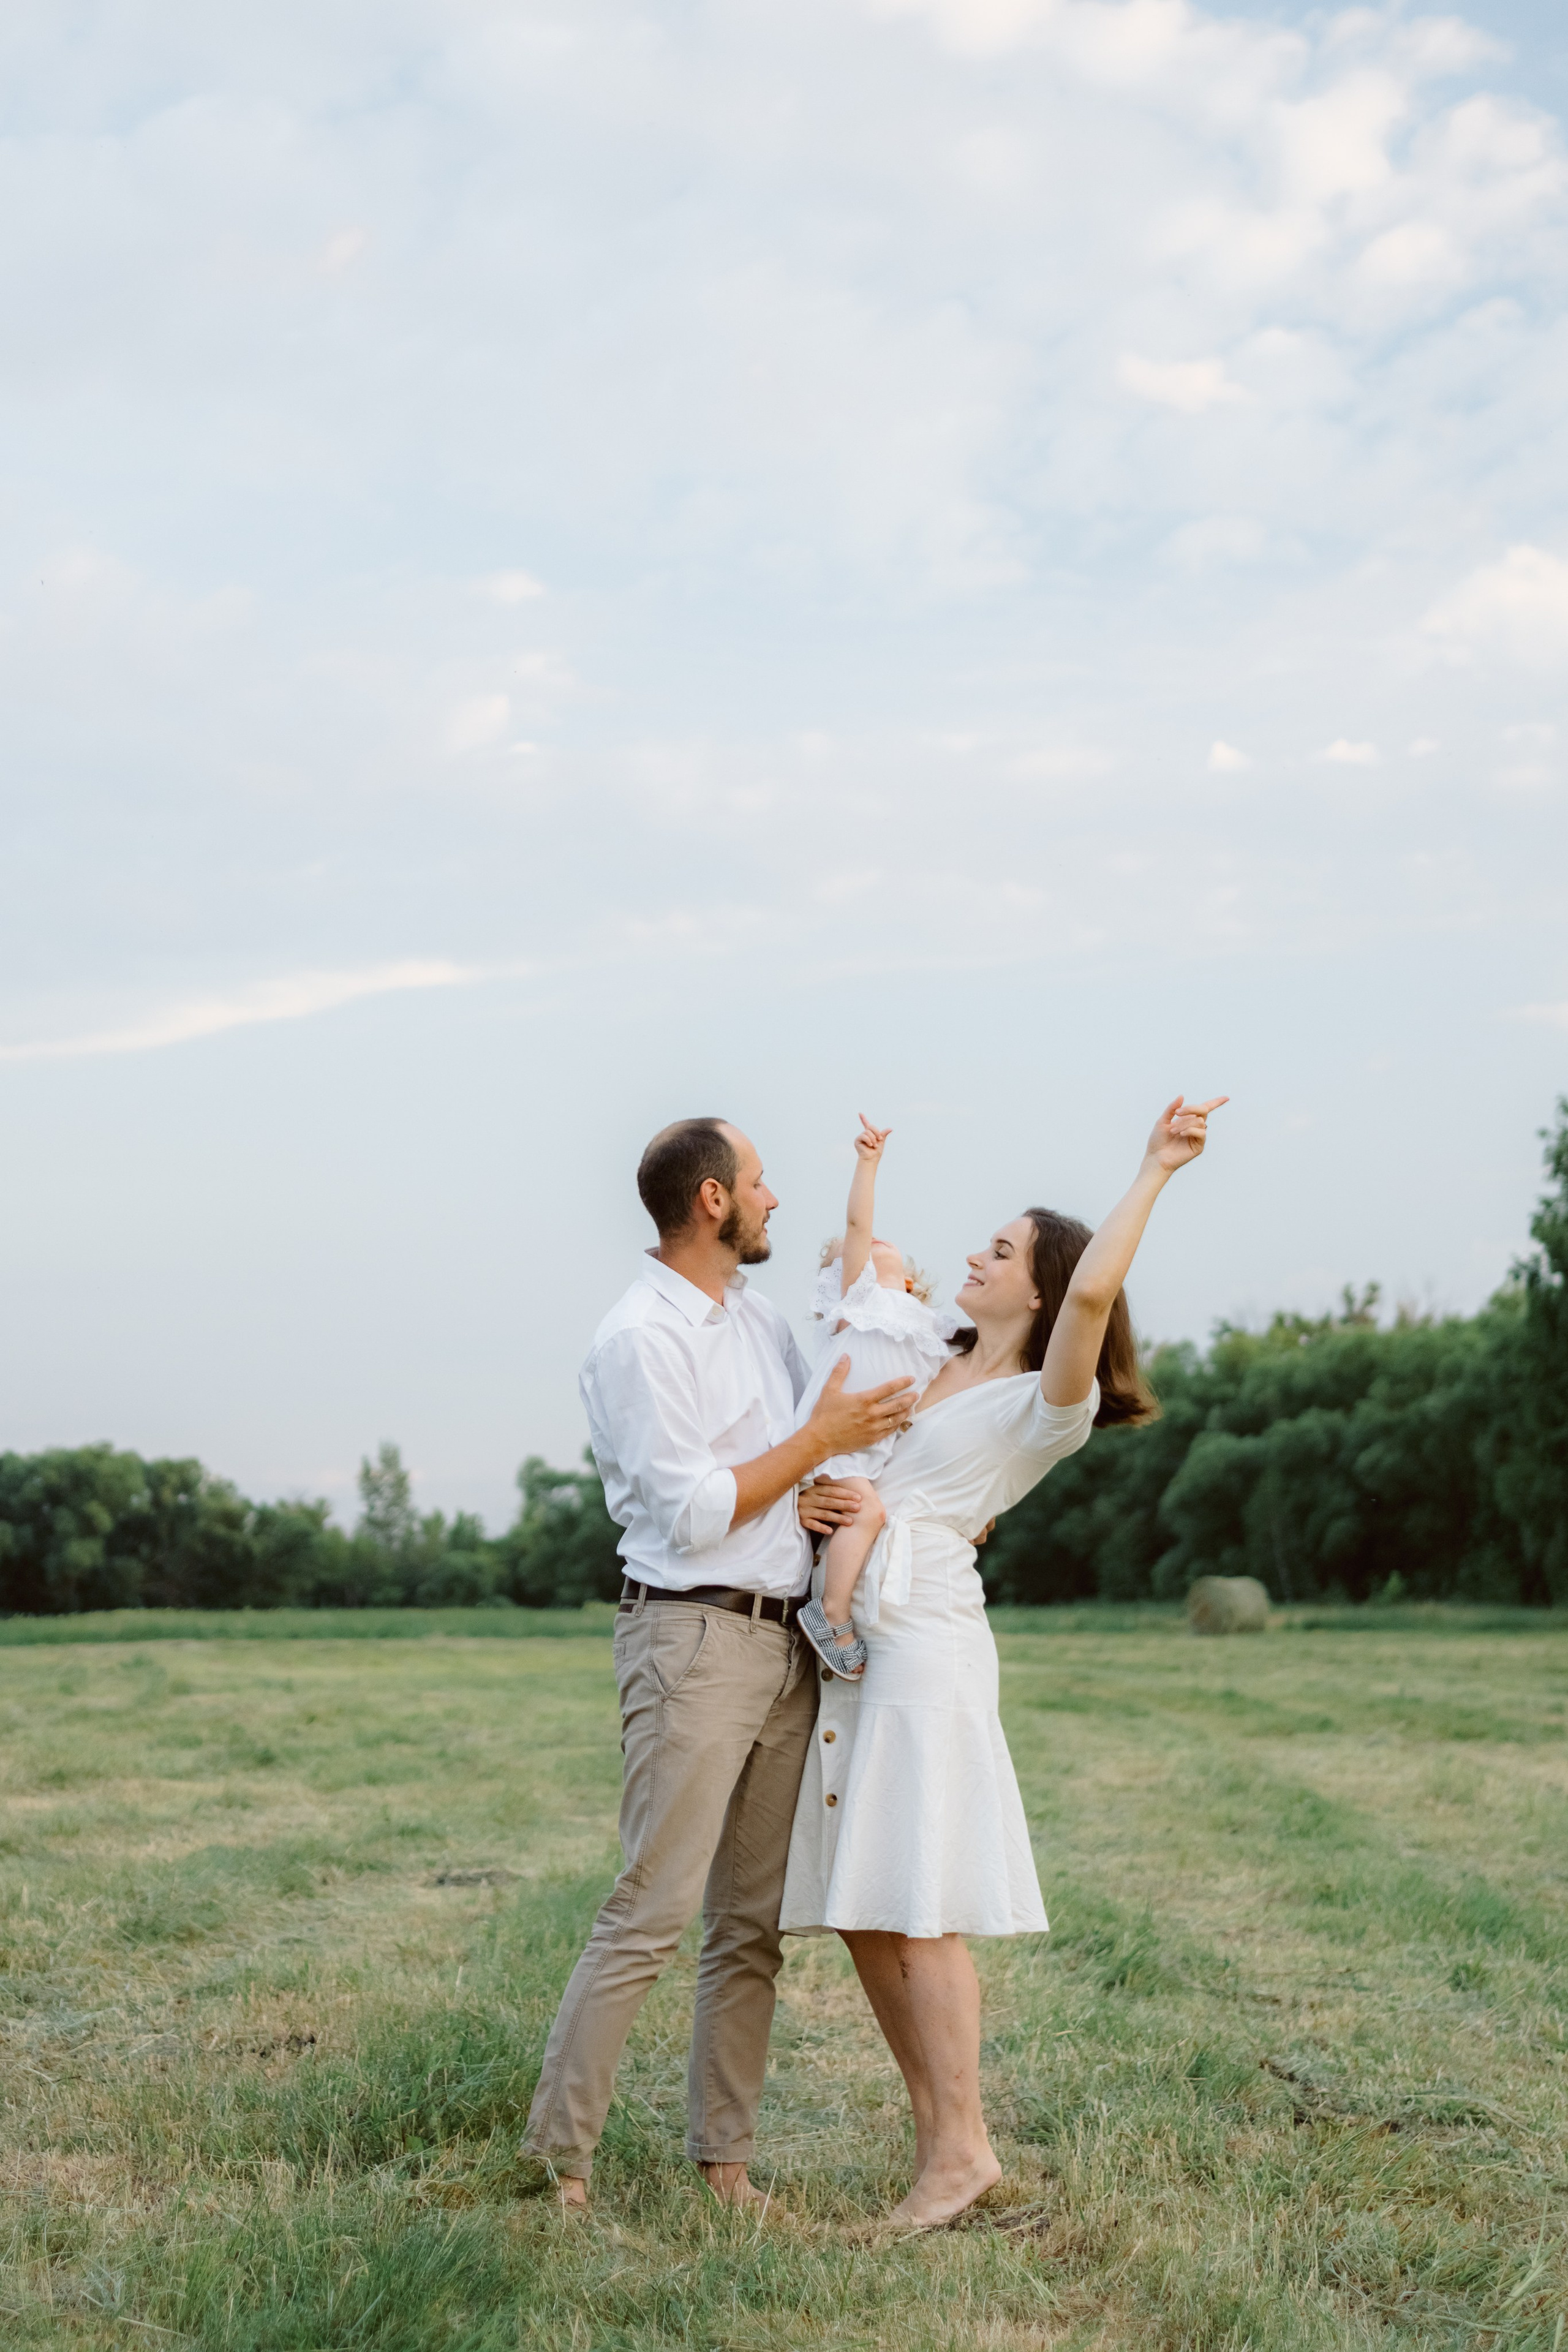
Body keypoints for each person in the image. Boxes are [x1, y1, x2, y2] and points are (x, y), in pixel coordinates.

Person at [781, 1092, 1227, 2228]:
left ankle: (960, 2151)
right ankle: (946, 2145)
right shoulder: (931, 1358)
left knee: (916, 1896)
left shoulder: (1045, 1403)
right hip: (857, 1639)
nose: (974, 1256)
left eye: (1001, 1249)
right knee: (864, 1902)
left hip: (925, 1639)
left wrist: (1156, 1166)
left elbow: (1093, 1292)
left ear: (1038, 1287)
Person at [521, 1116, 915, 2212]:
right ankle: (560, 2166)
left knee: (751, 1925)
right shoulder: (640, 1337)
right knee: (652, 1909)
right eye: (759, 1181)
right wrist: (813, 1452)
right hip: (690, 1636)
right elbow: (695, 1510)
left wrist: (832, 1484)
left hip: (783, 1637)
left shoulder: (757, 1322)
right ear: (711, 1200)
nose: (774, 1199)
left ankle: (724, 2167)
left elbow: (784, 1465)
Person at [793, 1115, 957, 1681]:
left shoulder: (926, 1326)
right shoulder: (860, 1301)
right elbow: (858, 1220)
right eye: (845, 1256)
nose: (865, 1245)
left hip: (873, 1450)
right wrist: (868, 1163)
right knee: (869, 1513)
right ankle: (831, 1612)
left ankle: (831, 1594)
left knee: (869, 1514)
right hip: (833, 1437)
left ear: (912, 1282)